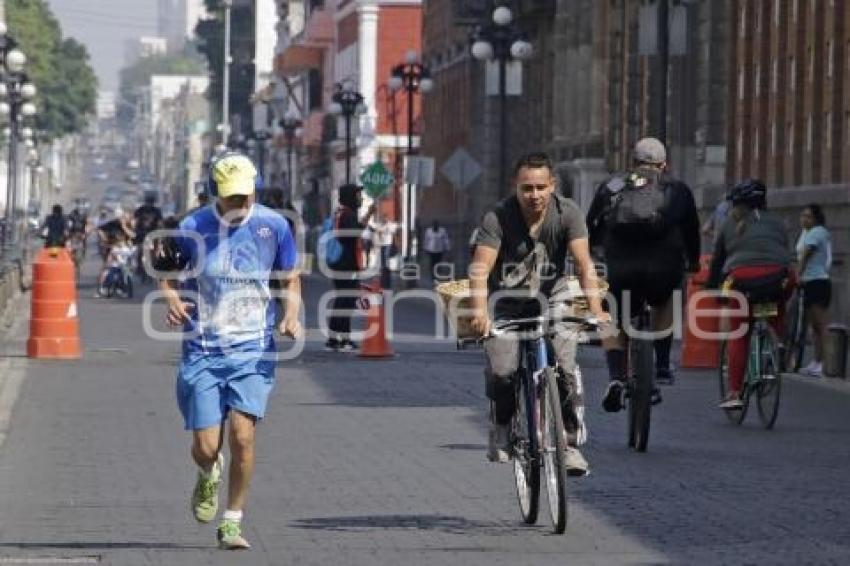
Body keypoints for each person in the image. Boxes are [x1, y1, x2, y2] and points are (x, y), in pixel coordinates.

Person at [157, 153, 301, 550]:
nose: (238, 205)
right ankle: (208, 474)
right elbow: (167, 278)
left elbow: (291, 277)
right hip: (203, 349)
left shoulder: (274, 225)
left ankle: (233, 520)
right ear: (214, 192)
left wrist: (290, 313)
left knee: (243, 436)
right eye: (230, 198)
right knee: (206, 447)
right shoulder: (193, 227)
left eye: (243, 196)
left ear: (254, 187)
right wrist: (171, 299)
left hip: (253, 351)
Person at [469, 152, 607, 474]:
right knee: (503, 371)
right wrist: (479, 313)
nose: (534, 195)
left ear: (552, 185)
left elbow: (584, 265)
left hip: (553, 297)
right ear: (515, 187)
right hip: (506, 299)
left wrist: (597, 310)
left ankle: (569, 444)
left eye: (540, 187)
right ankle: (502, 425)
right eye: (527, 188)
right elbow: (480, 269)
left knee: (566, 368)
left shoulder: (567, 213)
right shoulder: (497, 217)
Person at [586, 137, 700, 411]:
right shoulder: (677, 189)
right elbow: (691, 231)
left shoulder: (613, 185)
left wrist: (593, 252)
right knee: (666, 300)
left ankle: (616, 376)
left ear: (633, 163)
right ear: (664, 164)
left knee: (613, 315)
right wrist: (693, 262)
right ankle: (661, 365)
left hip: (620, 267)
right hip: (663, 267)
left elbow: (592, 222)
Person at [707, 180, 793, 408]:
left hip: (743, 281)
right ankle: (778, 336)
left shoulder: (728, 225)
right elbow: (786, 253)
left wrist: (714, 290)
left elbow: (717, 262)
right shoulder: (778, 223)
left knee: (739, 334)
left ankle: (735, 393)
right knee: (778, 299)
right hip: (778, 279)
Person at [325, 184, 376, 352]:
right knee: (344, 302)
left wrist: (368, 214)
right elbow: (353, 234)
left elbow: (354, 231)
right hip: (345, 265)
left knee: (344, 301)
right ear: (350, 197)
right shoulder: (347, 214)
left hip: (340, 264)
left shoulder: (342, 213)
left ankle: (338, 339)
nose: (360, 198)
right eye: (358, 195)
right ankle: (338, 340)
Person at [796, 204, 832, 377]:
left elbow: (805, 256)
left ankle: (827, 363)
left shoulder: (817, 232)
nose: (804, 219)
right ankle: (816, 361)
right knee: (814, 327)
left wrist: (796, 275)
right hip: (809, 282)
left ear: (816, 219)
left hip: (818, 282)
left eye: (808, 216)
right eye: (803, 215)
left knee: (821, 325)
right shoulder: (806, 233)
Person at [133, 194, 163, 280]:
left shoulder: (156, 211)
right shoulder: (141, 210)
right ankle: (139, 267)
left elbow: (160, 223)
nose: (149, 204)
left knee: (154, 253)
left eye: (150, 202)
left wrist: (160, 230)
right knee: (140, 251)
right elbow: (134, 220)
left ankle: (151, 267)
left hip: (151, 234)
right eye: (148, 202)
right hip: (141, 234)